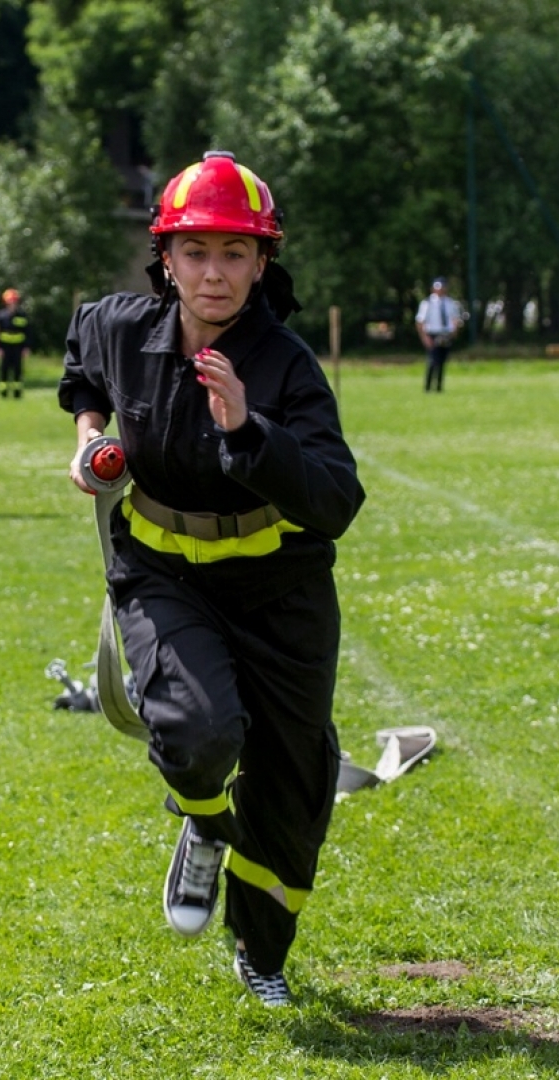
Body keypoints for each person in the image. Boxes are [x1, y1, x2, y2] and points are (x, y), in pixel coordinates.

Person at [58, 150, 364, 1006]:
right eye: (196, 252)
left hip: (281, 587)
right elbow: (84, 360)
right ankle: (201, 821)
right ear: (166, 258)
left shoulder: (288, 366)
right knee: (199, 732)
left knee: (293, 776)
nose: (214, 273)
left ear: (264, 264)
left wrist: (249, 428)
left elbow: (337, 499)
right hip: (162, 572)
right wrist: (88, 437)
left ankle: (261, 954)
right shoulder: (121, 326)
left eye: (236, 253)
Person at [415, 277, 463, 393]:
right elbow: (420, 321)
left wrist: (454, 332)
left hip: (446, 334)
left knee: (442, 362)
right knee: (433, 361)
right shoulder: (427, 303)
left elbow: (455, 319)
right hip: (433, 334)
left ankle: (439, 387)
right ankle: (427, 387)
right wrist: (424, 337)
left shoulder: (450, 302)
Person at [0, 288, 32, 399]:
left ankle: (17, 392)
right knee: (3, 370)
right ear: (6, 303)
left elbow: (28, 332)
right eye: (10, 302)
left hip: (18, 348)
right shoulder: (0, 316)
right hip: (4, 348)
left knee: (17, 371)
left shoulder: (22, 316)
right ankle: (3, 392)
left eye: (14, 302)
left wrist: (26, 347)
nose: (12, 305)